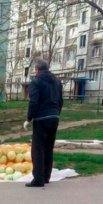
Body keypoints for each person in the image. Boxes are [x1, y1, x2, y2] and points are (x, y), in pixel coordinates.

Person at [23, 60, 64, 188]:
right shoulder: (57, 81)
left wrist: (29, 118)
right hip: (54, 117)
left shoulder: (36, 82)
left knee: (38, 149)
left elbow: (33, 101)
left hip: (41, 118)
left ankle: (38, 179)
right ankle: (46, 176)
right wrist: (56, 113)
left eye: (35, 70)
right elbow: (60, 100)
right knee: (48, 148)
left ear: (37, 70)